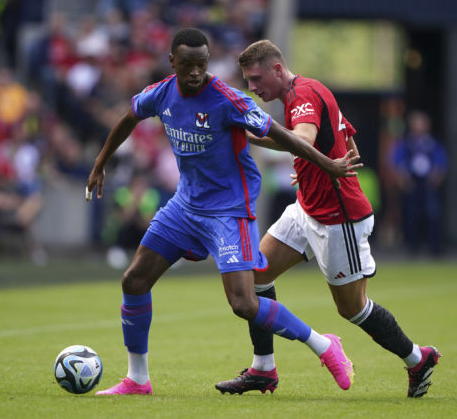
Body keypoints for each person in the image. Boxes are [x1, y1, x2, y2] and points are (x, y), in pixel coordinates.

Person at [86, 28, 361, 396]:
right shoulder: (161, 93)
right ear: (173, 62)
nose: (196, 72)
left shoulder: (228, 100)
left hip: (229, 210)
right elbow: (128, 117)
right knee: (133, 281)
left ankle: (325, 346)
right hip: (185, 205)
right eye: (188, 65)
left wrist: (327, 163)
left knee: (244, 303)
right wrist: (100, 162)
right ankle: (137, 379)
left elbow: (282, 134)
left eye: (202, 63)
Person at [214, 39, 440, 398]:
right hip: (307, 207)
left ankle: (418, 358)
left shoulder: (303, 95)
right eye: (248, 82)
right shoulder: (309, 90)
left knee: (352, 308)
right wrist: (310, 167)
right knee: (256, 274)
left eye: (256, 79)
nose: (253, 88)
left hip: (339, 218)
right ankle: (263, 369)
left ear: (277, 69)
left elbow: (302, 138)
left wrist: (255, 134)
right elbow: (348, 143)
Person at [391, 111, 448, 255]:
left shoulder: (433, 144)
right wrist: (403, 180)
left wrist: (437, 178)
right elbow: (396, 162)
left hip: (428, 183)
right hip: (412, 183)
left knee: (433, 214)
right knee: (411, 215)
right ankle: (412, 246)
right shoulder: (406, 143)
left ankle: (434, 246)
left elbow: (441, 163)